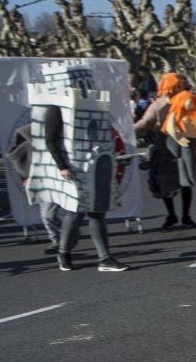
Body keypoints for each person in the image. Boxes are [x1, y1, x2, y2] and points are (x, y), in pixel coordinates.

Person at [35, 104, 129, 272]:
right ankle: (64, 253)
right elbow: (50, 139)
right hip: (72, 168)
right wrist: (62, 166)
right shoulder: (57, 107)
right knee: (75, 212)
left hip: (92, 165)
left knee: (97, 211)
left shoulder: (88, 104)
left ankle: (104, 258)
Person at [135, 73, 196, 230]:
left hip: (184, 145)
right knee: (164, 184)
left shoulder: (187, 100)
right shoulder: (158, 105)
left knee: (186, 183)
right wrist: (127, 132)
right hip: (164, 147)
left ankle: (186, 216)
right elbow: (145, 123)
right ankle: (171, 215)